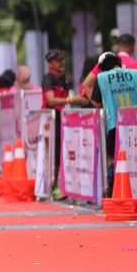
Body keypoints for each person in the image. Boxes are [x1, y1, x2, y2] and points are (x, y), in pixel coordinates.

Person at [90, 52, 137, 197]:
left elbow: (96, 103)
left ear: (102, 68)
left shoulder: (102, 78)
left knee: (114, 158)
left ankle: (115, 191)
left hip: (115, 124)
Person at [41, 49, 88, 199]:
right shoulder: (48, 78)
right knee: (54, 152)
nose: (62, 63)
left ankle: (63, 184)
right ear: (50, 63)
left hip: (64, 118)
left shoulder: (63, 78)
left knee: (64, 151)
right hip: (51, 119)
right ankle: (52, 185)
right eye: (58, 61)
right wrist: (72, 100)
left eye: (62, 60)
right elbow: (50, 100)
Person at [81, 33, 137, 100]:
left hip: (110, 106)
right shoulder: (136, 65)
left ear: (117, 47)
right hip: (132, 105)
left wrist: (98, 104)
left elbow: (86, 84)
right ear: (134, 47)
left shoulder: (106, 62)